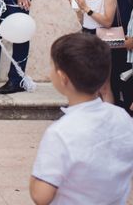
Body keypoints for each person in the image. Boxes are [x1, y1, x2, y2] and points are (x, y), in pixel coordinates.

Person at [30, 33, 133, 205]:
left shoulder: (60, 133)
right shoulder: (121, 117)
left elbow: (41, 196)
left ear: (62, 78)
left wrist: (34, 179)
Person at [71, 0, 116, 102]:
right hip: (87, 38)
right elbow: (85, 22)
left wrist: (86, 8)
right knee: (91, 86)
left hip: (101, 41)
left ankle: (109, 120)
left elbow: (108, 21)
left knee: (104, 86)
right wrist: (77, 8)